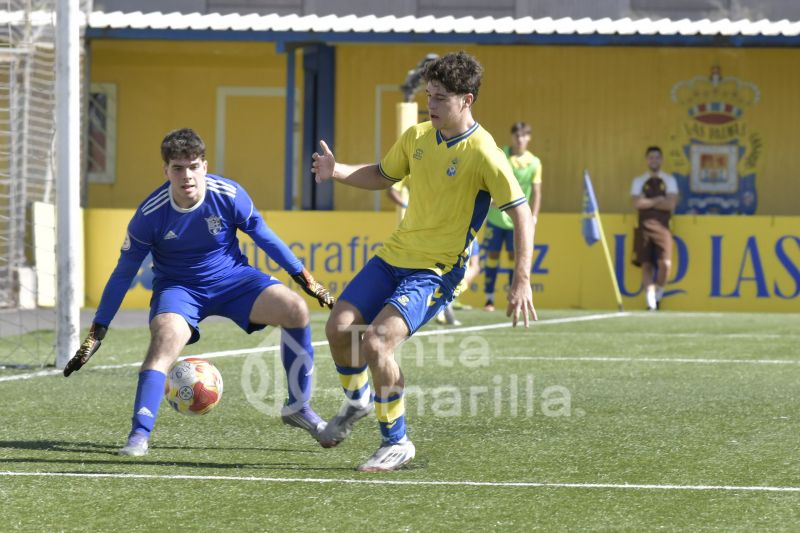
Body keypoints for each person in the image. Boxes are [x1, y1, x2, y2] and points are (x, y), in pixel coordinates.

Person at [311, 51, 537, 472]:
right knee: (338, 328)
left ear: (467, 100)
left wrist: (521, 278)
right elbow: (382, 174)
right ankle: (358, 401)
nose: (430, 105)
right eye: (428, 95)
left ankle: (396, 442)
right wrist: (336, 170)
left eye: (440, 98)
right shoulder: (417, 136)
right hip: (393, 256)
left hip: (436, 269)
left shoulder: (485, 152)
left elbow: (522, 213)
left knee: (377, 342)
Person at [63, 128, 335, 456]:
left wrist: (307, 280)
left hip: (233, 279)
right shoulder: (149, 215)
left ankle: (299, 408)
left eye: (193, 166)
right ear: (166, 171)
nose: (187, 176)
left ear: (204, 166)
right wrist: (98, 331)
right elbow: (123, 274)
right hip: (179, 289)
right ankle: (139, 435)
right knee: (164, 342)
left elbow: (266, 237)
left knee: (295, 309)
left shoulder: (229, 194)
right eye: (178, 168)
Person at [482, 122, 542, 312]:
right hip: (496, 216)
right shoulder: (502, 155)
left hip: (517, 220)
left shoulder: (534, 162)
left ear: (529, 138)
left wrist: (534, 216)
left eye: (523, 135)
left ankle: (513, 297)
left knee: (514, 257)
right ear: (512, 137)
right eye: (517, 135)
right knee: (492, 256)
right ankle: (489, 299)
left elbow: (537, 192)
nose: (520, 139)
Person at [630, 145, 678, 311]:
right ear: (647, 160)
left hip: (663, 227)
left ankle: (659, 293)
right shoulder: (639, 181)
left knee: (665, 263)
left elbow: (670, 204)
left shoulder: (669, 180)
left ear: (661, 160)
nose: (654, 160)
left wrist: (648, 202)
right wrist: (658, 199)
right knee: (646, 264)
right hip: (643, 225)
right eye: (651, 157)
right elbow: (637, 203)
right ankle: (650, 301)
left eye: (657, 157)